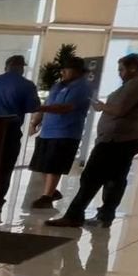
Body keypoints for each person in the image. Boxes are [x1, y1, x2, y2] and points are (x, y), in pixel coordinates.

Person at [46, 53, 138, 228]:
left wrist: (102, 107)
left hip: (117, 139)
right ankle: (105, 216)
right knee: (116, 178)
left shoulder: (136, 85)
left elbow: (120, 110)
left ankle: (74, 215)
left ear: (133, 68)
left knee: (91, 176)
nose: (119, 73)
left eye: (121, 69)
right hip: (131, 137)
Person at [27, 56, 93, 209]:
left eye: (66, 69)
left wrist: (39, 108)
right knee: (42, 165)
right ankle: (52, 192)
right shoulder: (59, 85)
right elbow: (48, 103)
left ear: (76, 71)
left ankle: (47, 196)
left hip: (65, 132)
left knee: (54, 165)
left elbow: (66, 108)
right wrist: (35, 121)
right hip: (48, 132)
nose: (62, 72)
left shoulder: (82, 87)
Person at [0, 55, 39, 210]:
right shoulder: (26, 85)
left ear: (6, 67)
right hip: (9, 130)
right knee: (5, 166)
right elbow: (33, 107)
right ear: (22, 69)